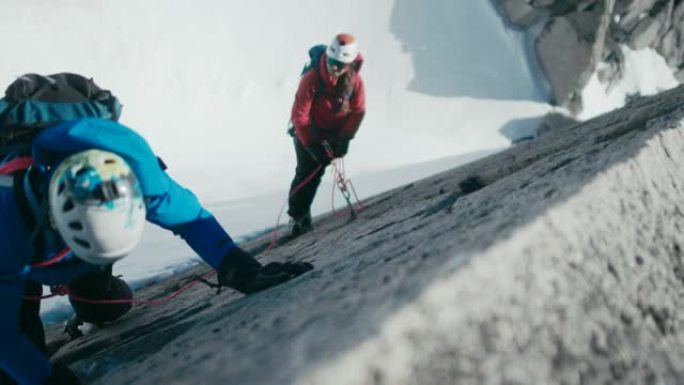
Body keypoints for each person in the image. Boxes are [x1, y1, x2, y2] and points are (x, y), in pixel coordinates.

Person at [0, 73, 313, 385]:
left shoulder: (139, 176)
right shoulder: (8, 215)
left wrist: (241, 269)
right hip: (20, 246)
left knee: (98, 305)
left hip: (59, 239)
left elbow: (191, 220)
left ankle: (92, 285)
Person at [287, 33, 366, 237]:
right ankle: (297, 217)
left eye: (340, 64)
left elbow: (357, 110)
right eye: (332, 62)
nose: (334, 68)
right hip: (307, 132)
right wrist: (312, 145)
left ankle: (301, 215)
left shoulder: (354, 82)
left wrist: (345, 137)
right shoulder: (312, 78)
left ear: (348, 64)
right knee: (306, 172)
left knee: (317, 171)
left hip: (332, 133)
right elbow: (300, 115)